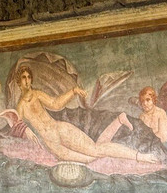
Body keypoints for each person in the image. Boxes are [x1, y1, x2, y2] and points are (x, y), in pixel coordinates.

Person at [14, 67, 158, 163]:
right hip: (51, 142)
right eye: (23, 77)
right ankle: (118, 121)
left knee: (95, 150)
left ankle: (139, 156)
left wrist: (73, 91)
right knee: (91, 158)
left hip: (59, 129)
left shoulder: (37, 94)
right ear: (18, 82)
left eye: (28, 77)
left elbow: (56, 104)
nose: (27, 80)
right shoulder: (20, 106)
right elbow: (15, 124)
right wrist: (25, 130)